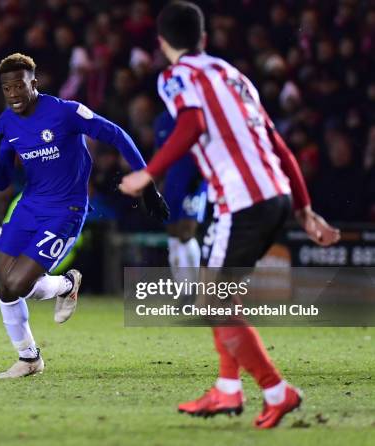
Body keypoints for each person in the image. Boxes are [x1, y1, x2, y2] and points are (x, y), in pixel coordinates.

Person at [119, 2, 340, 429]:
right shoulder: (234, 75)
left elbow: (192, 124)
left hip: (242, 201)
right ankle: (227, 389)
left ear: (163, 42)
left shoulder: (175, 76)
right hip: (274, 195)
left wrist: (147, 173)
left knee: (213, 302)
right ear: (203, 38)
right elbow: (277, 143)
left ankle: (277, 391)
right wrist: (304, 208)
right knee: (222, 298)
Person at [0, 53, 169, 379]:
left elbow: (116, 134)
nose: (13, 93)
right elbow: (1, 180)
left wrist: (147, 182)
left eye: (19, 86)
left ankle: (67, 282)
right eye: (7, 88)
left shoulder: (65, 112)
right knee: (5, 287)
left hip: (65, 210)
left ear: (34, 84)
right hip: (29, 205)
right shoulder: (6, 123)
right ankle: (29, 359)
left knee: (17, 283)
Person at [154, 109, 206, 283]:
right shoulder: (162, 120)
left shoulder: (193, 114)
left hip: (194, 180)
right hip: (172, 182)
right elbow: (160, 153)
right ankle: (184, 290)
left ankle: (197, 289)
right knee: (173, 234)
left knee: (186, 232)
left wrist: (199, 175)